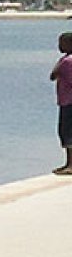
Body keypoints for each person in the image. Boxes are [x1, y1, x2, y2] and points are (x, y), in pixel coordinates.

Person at [50, 31, 72, 176]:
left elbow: (53, 75)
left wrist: (58, 68)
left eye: (62, 43)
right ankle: (68, 163)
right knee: (66, 132)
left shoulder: (67, 61)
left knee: (67, 132)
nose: (59, 46)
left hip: (69, 101)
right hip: (66, 101)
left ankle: (71, 164)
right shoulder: (65, 60)